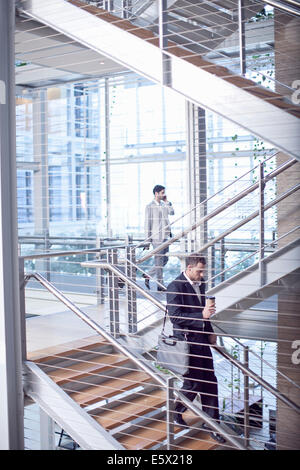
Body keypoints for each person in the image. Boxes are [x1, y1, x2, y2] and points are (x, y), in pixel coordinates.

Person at [166, 255, 226, 444]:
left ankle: (212, 424)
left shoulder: (201, 283)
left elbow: (205, 313)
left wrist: (210, 332)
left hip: (202, 340)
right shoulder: (175, 286)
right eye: (199, 271)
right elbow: (175, 317)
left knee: (210, 381)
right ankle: (176, 411)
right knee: (193, 383)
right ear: (189, 268)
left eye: (203, 271)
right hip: (187, 342)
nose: (202, 275)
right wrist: (201, 315)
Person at [143, 185, 174, 291]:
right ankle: (160, 285)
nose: (163, 194)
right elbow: (147, 224)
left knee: (165, 259)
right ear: (156, 194)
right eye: (162, 192)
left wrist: (167, 201)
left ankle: (148, 275)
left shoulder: (164, 204)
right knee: (159, 261)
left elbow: (172, 212)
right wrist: (147, 241)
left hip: (165, 236)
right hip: (156, 237)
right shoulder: (149, 206)